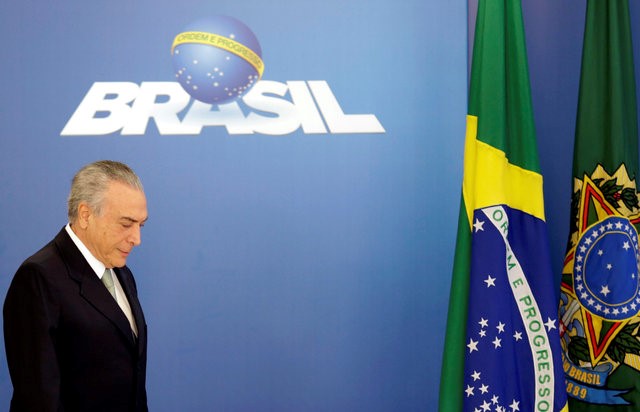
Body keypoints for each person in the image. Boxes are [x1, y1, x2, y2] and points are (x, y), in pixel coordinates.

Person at [3, 160, 149, 412]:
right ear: (85, 215)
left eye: (141, 225)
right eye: (126, 224)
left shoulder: (121, 273)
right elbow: (39, 397)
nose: (137, 239)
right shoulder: (38, 278)